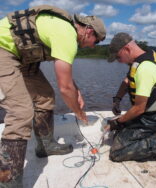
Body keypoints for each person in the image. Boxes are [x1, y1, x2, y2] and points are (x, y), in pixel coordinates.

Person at [0, 5, 106, 187]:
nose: (92, 46)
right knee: (21, 112)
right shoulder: (67, 35)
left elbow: (68, 81)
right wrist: (78, 112)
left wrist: (77, 91)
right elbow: (64, 88)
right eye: (96, 41)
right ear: (89, 31)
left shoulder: (64, 30)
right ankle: (8, 182)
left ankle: (45, 146)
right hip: (3, 51)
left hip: (22, 58)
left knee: (46, 97)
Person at [106, 32, 156, 166]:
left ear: (126, 49)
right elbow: (127, 81)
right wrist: (117, 99)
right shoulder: (140, 60)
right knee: (117, 135)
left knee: (116, 152)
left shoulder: (145, 68)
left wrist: (118, 122)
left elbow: (139, 108)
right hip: (145, 115)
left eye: (118, 57)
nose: (118, 61)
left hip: (151, 118)